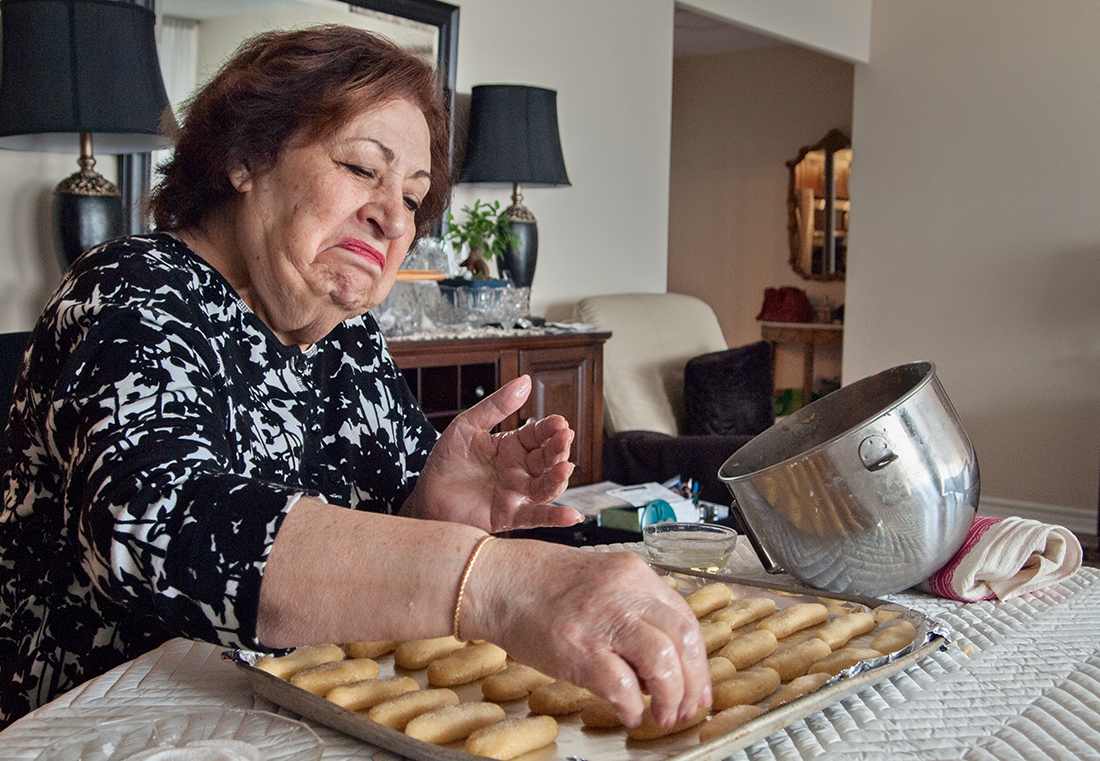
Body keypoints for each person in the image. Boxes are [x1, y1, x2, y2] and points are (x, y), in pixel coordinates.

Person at [0, 25, 710, 731]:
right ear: (246, 156)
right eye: (363, 169)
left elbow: (376, 547)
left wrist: (430, 509)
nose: (390, 217)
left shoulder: (345, 335)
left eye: (412, 197)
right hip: (104, 723)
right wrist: (492, 580)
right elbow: (163, 528)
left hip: (286, 709)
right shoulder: (130, 292)